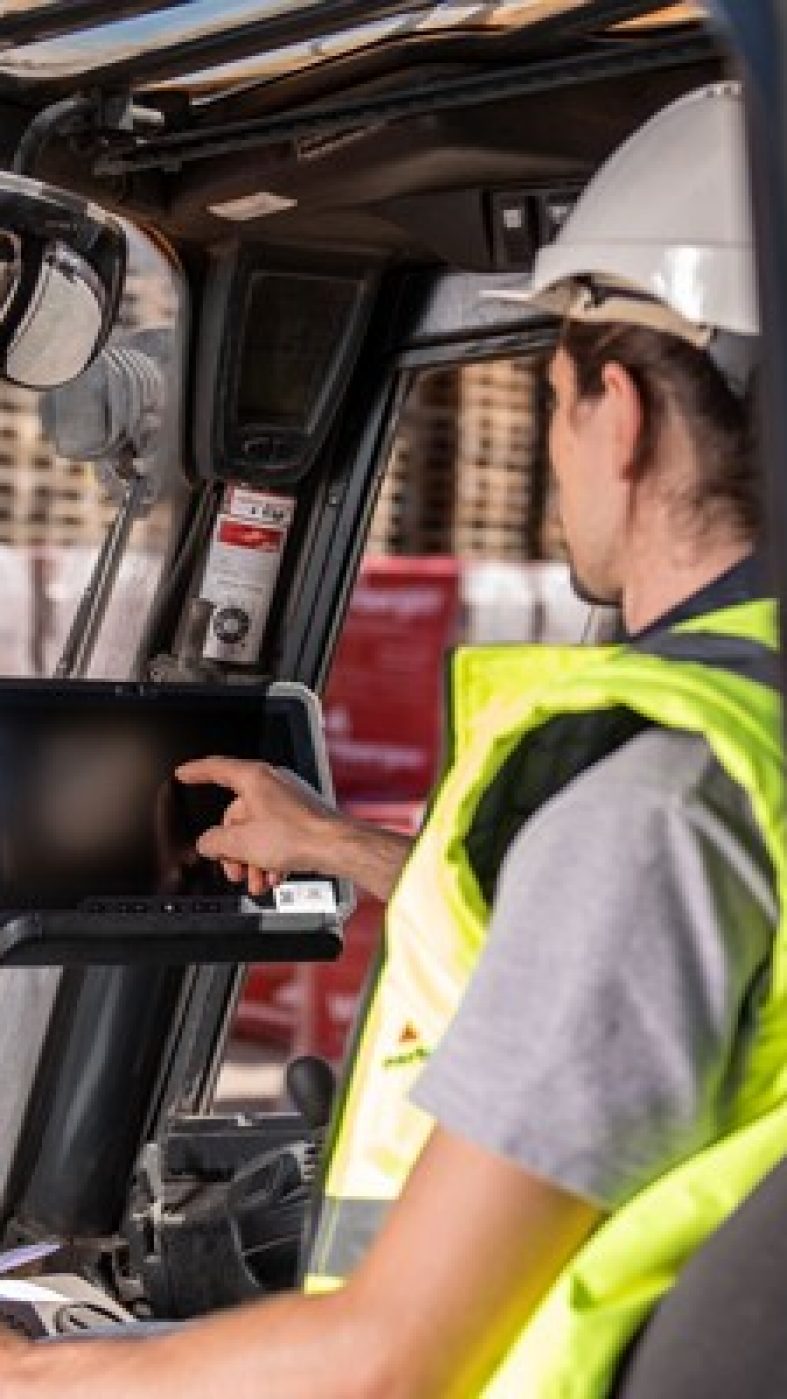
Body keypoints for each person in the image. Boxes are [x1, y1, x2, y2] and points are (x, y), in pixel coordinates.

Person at [1, 81, 785, 1398]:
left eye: (552, 397)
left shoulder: (652, 804)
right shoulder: (741, 742)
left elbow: (389, 1360)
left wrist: (25, 1375)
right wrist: (344, 850)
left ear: (620, 414)